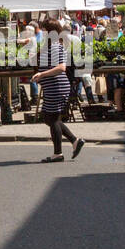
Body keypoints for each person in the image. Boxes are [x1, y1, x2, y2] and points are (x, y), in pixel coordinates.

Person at [30, 19, 83, 162]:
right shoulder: (50, 46)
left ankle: (58, 153)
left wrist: (42, 74)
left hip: (57, 87)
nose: (42, 32)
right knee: (49, 117)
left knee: (52, 118)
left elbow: (61, 68)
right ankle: (74, 141)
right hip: (53, 87)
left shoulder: (56, 46)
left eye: (45, 29)